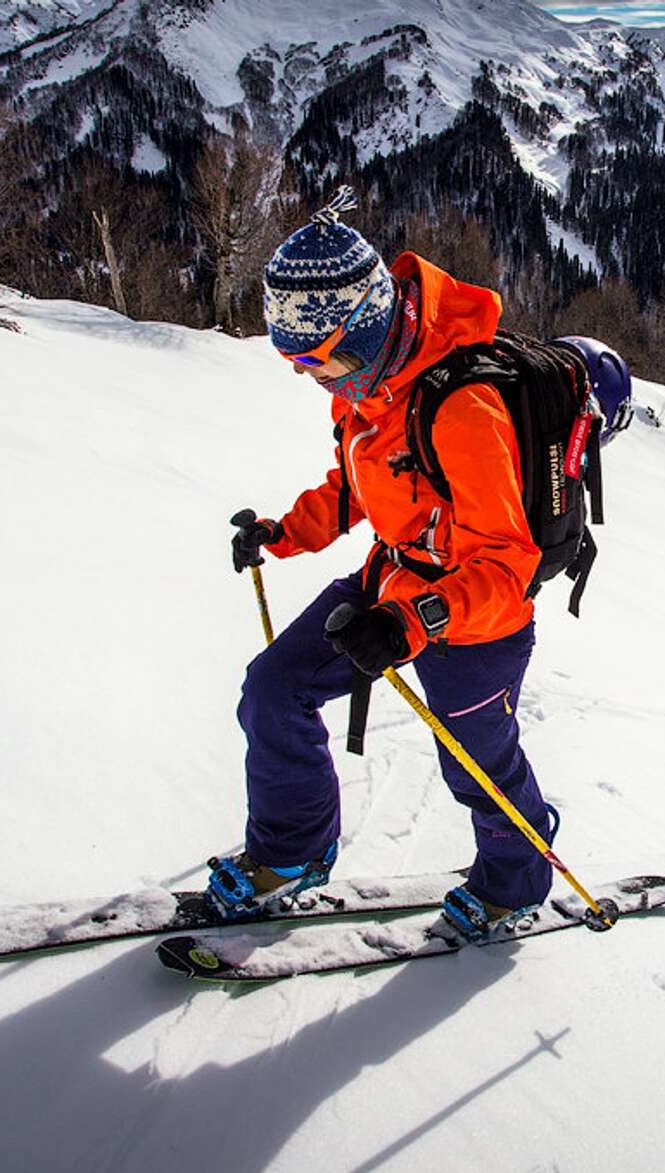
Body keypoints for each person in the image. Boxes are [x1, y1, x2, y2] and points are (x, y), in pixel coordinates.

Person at [218, 188, 564, 942]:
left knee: (477, 766)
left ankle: (518, 880)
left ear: (367, 325)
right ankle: (294, 852)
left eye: (315, 356)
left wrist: (414, 621)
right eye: (294, 359)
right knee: (273, 688)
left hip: (476, 617)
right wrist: (283, 533)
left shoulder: (463, 408)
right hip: (394, 582)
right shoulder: (366, 384)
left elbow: (509, 564)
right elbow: (359, 484)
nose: (308, 374)